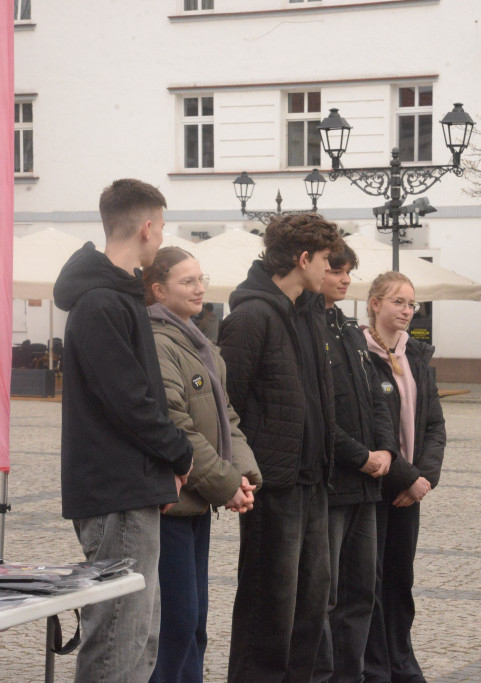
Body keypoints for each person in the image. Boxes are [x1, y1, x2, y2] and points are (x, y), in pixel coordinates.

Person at [53, 179, 194, 683]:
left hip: (132, 486)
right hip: (115, 491)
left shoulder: (119, 296)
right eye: (162, 227)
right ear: (147, 227)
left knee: (139, 637)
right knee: (117, 638)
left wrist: (163, 469)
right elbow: (130, 401)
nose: (162, 237)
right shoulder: (101, 303)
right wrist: (179, 454)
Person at [218, 212, 343, 682]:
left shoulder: (307, 314)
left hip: (313, 482)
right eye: (326, 259)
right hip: (273, 486)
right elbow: (226, 405)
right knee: (268, 609)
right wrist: (242, 472)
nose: (331, 270)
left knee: (311, 607)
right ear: (303, 259)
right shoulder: (250, 317)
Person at [143, 247, 262, 683]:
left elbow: (227, 416)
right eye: (187, 281)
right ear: (159, 290)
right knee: (175, 624)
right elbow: (179, 426)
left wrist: (243, 475)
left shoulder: (199, 343)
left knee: (194, 623)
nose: (199, 288)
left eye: (200, 279)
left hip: (198, 502)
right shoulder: (158, 343)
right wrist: (226, 484)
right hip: (171, 503)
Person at [313, 245, 398, 683]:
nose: (345, 279)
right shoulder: (308, 328)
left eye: (349, 272)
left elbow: (376, 398)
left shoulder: (347, 329)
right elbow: (316, 414)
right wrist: (360, 456)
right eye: (336, 271)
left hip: (366, 487)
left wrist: (386, 450)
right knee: (325, 597)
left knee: (361, 594)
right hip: (332, 485)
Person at [362, 271, 446, 683]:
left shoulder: (416, 356)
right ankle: (376, 666)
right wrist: (406, 477)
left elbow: (435, 425)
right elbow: (371, 430)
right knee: (370, 582)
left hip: (410, 490)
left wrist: (423, 479)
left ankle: (401, 660)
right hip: (374, 487)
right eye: (398, 301)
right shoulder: (359, 355)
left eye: (412, 304)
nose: (407, 310)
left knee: (400, 580)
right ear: (375, 303)